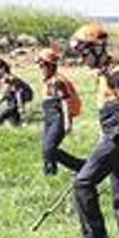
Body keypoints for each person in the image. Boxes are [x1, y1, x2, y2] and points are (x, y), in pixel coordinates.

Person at [68, 23, 119, 238]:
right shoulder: (104, 74)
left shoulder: (117, 73)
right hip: (113, 137)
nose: (81, 58)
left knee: (82, 184)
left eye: (84, 52)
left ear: (98, 49)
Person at [35, 47, 85, 175]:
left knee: (49, 148)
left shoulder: (58, 81)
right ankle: (50, 173)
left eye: (42, 64)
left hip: (58, 118)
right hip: (49, 118)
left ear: (49, 65)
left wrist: (67, 122)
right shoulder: (49, 80)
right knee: (46, 149)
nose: (40, 67)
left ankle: (80, 166)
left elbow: (65, 101)